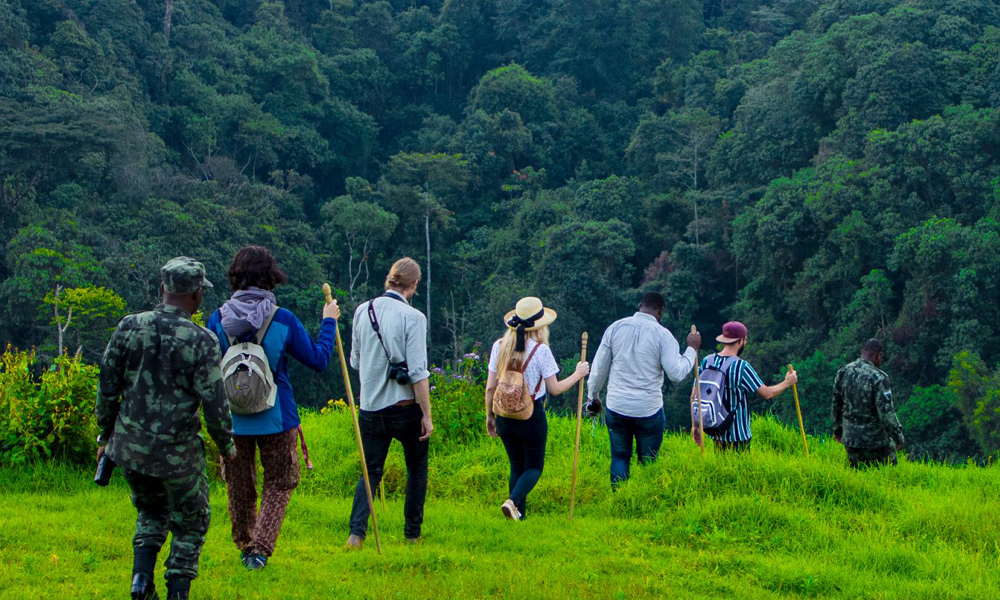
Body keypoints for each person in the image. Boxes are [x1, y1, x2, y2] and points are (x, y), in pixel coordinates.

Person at [96, 257, 234, 600]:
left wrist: (104, 436)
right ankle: (177, 592)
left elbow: (107, 386)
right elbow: (215, 404)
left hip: (129, 450)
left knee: (150, 509)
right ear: (198, 296)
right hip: (178, 455)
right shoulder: (202, 341)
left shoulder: (128, 326)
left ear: (163, 290)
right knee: (192, 520)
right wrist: (226, 448)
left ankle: (141, 579)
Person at [206, 245, 340, 570]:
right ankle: (260, 550)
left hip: (232, 418)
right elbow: (319, 360)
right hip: (278, 418)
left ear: (236, 276)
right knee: (280, 481)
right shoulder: (283, 319)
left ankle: (245, 544)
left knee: (238, 484)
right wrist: (329, 322)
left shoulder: (217, 319)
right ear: (271, 277)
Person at [347, 257, 433, 548]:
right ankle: (412, 535)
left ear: (390, 279)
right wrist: (427, 414)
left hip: (370, 407)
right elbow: (419, 373)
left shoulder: (363, 310)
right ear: (415, 284)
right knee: (417, 468)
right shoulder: (414, 318)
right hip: (405, 408)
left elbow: (356, 361)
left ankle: (356, 534)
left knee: (370, 471)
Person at [484, 297, 590, 520]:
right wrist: (578, 374)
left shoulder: (499, 346)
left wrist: (490, 417)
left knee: (516, 464)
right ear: (540, 326)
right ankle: (513, 502)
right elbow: (555, 389)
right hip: (531, 416)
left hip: (504, 415)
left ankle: (518, 514)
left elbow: (490, 387)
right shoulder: (541, 351)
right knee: (533, 467)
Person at [583, 292, 701, 488]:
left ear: (639, 305)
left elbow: (598, 369)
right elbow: (677, 374)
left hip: (617, 405)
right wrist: (691, 349)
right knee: (648, 462)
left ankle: (619, 501)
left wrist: (593, 397)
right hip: (648, 410)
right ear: (661, 311)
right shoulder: (663, 336)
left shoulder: (615, 328)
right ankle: (642, 502)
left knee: (620, 457)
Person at [690, 321, 797, 451]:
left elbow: (694, 396)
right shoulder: (741, 366)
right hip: (739, 436)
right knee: (740, 470)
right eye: (745, 340)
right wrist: (787, 382)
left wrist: (695, 426)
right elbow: (766, 393)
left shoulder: (707, 361)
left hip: (715, 430)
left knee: (720, 470)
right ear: (740, 341)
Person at [832, 339, 905, 468]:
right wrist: (898, 437)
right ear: (879, 355)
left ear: (862, 352)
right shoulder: (879, 377)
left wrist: (837, 430)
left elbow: (836, 405)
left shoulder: (843, 372)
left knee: (857, 477)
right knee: (888, 478)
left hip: (850, 439)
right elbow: (886, 414)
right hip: (876, 442)